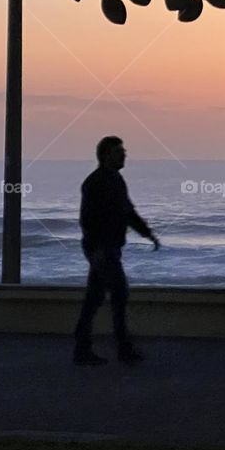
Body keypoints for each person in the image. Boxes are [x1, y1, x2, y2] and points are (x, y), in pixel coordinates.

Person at [72, 135, 160, 365]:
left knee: (95, 297)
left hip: (106, 248)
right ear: (105, 155)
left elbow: (127, 213)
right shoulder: (96, 183)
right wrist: (99, 249)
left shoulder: (115, 180)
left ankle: (82, 347)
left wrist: (147, 233)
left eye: (124, 151)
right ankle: (122, 348)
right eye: (119, 151)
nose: (124, 155)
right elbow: (88, 220)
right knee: (119, 294)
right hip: (102, 249)